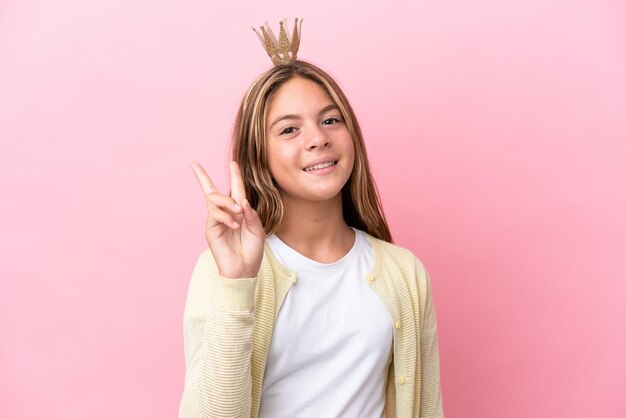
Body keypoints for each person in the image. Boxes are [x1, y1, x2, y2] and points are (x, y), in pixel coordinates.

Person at [179, 18, 444, 418]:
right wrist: (236, 284)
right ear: (259, 158)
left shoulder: (405, 274)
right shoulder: (220, 272)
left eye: (330, 120)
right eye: (289, 129)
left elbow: (425, 410)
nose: (317, 138)